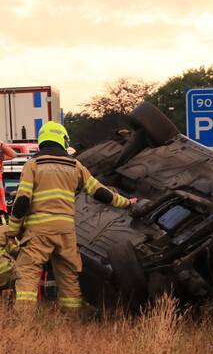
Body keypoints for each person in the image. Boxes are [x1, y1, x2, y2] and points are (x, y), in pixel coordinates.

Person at [8, 121, 136, 314]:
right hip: (66, 232)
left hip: (39, 230)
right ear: (62, 140)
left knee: (27, 273)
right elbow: (100, 192)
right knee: (68, 276)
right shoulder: (75, 166)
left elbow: (22, 201)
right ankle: (73, 319)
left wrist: (13, 229)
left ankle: (24, 322)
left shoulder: (33, 165)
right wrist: (126, 202)